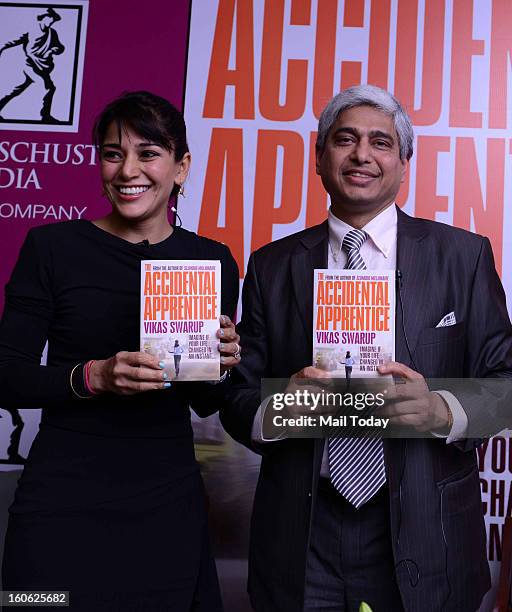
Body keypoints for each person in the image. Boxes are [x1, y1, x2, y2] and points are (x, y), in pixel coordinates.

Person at [220, 85, 512, 611]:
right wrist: (280, 409)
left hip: (429, 524)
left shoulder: (463, 256)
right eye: (344, 139)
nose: (361, 154)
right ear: (319, 156)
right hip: (303, 532)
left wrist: (441, 409)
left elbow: (506, 385)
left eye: (381, 142)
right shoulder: (271, 265)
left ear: (403, 163)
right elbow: (237, 396)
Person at [0, 90, 240, 611]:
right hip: (59, 504)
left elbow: (206, 402)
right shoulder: (51, 247)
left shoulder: (212, 260)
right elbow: (7, 375)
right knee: (31, 604)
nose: (128, 169)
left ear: (181, 167)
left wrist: (222, 363)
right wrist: (94, 377)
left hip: (166, 505)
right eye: (113, 153)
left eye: (148, 153)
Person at [0, 7, 64, 123]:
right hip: (30, 65)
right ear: (44, 18)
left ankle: (46, 115)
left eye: (53, 20)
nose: (52, 21)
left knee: (17, 90)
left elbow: (60, 47)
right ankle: (45, 116)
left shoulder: (52, 33)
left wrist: (53, 50)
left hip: (43, 67)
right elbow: (12, 41)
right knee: (48, 88)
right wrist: (2, 48)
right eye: (50, 18)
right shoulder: (30, 30)